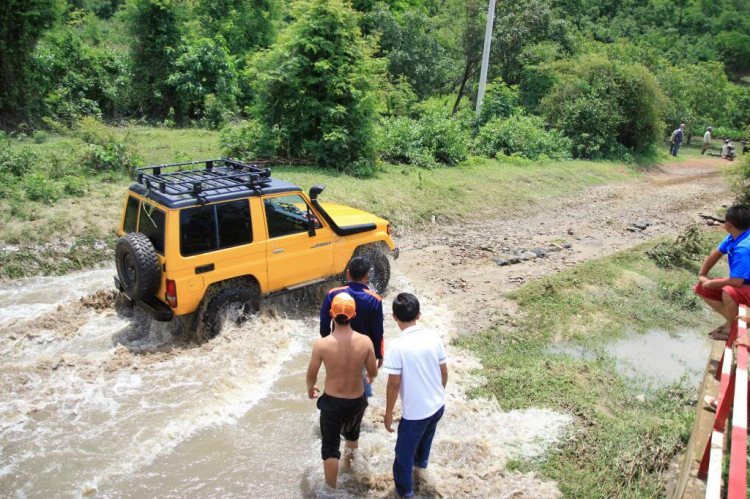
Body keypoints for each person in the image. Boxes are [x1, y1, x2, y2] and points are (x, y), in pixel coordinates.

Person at [307, 292, 378, 490]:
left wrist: (310, 387)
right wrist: (369, 377)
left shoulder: (322, 344)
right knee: (352, 437)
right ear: (354, 314)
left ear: (331, 313)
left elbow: (311, 374)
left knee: (330, 449)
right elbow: (372, 372)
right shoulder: (365, 342)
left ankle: (331, 490)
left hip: (332, 402)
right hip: (356, 400)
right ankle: (350, 472)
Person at [382, 293, 448, 498]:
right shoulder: (433, 336)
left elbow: (394, 384)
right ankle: (421, 472)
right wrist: (438, 393)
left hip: (415, 414)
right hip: (437, 406)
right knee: (424, 441)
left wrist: (388, 413)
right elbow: (444, 371)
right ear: (419, 314)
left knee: (402, 458)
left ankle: (406, 493)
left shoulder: (397, 346)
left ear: (394, 317)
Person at [320, 256, 384, 397]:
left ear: (348, 273)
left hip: (337, 347)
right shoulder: (375, 299)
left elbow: (324, 324)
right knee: (363, 389)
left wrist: (327, 344)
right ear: (367, 276)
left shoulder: (333, 294)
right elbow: (377, 331)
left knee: (336, 383)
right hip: (362, 351)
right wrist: (378, 354)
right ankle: (362, 415)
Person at [694, 204, 750, 341]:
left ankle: (731, 326)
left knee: (728, 291)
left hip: (744, 284)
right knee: (702, 288)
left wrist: (712, 282)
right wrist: (703, 274)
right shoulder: (735, 236)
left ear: (729, 224)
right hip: (745, 283)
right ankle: (735, 321)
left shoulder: (743, 248)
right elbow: (717, 253)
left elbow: (736, 281)